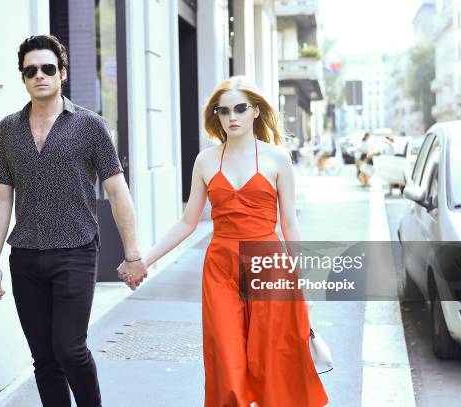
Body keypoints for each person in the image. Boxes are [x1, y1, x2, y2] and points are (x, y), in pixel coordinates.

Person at [119, 76, 329, 407]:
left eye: (240, 108)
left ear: (255, 112)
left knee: (270, 364)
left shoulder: (277, 158)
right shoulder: (205, 160)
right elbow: (189, 221)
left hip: (268, 266)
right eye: (224, 110)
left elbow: (290, 224)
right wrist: (145, 259)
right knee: (227, 364)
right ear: (216, 115)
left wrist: (305, 282)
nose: (232, 116)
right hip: (221, 268)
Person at [0, 35, 147, 407]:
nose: (39, 75)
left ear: (63, 73)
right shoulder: (7, 130)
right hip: (24, 256)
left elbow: (118, 191)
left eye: (47, 68)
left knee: (69, 349)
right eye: (31, 70)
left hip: (75, 251)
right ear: (23, 78)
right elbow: (1, 195)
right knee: (44, 359)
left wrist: (133, 252)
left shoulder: (90, 126)